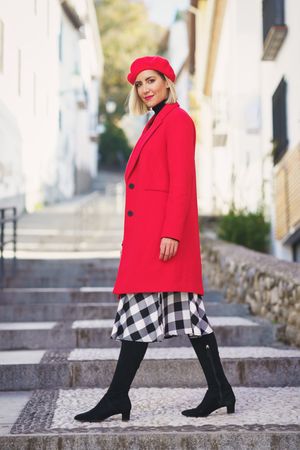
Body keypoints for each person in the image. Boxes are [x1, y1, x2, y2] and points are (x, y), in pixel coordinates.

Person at [74, 55, 236, 423]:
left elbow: (182, 181)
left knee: (142, 313)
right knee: (187, 315)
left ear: (167, 81)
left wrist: (170, 233)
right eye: (140, 84)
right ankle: (220, 389)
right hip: (148, 239)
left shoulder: (177, 120)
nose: (146, 89)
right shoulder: (155, 122)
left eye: (151, 80)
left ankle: (117, 398)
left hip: (163, 240)